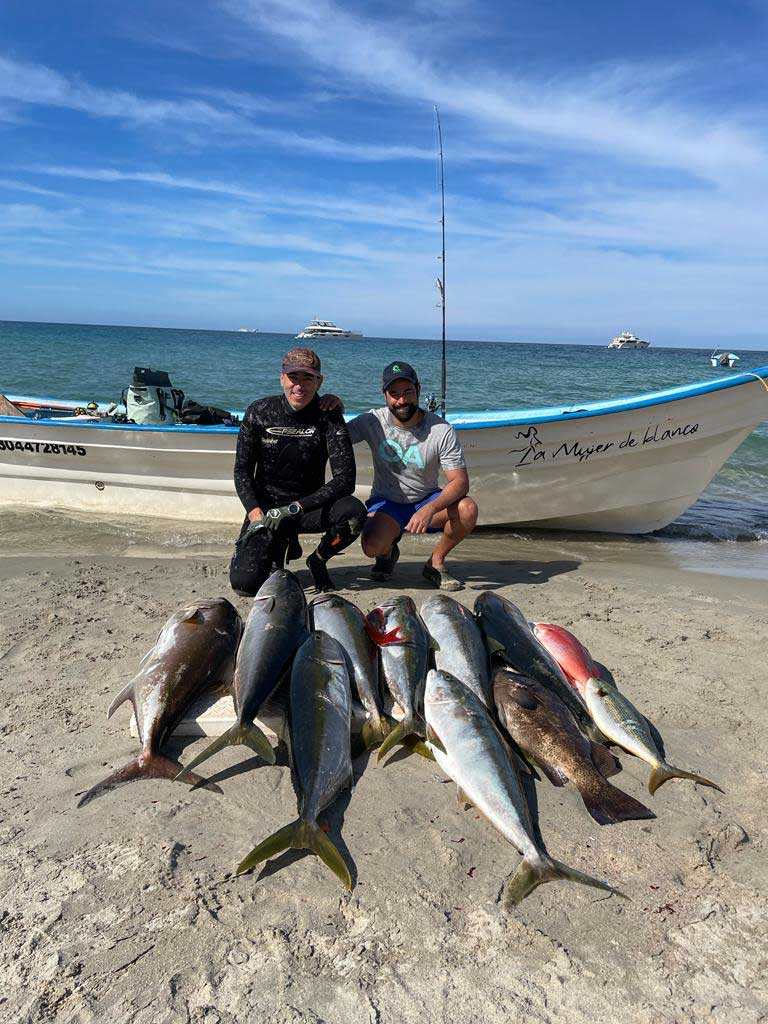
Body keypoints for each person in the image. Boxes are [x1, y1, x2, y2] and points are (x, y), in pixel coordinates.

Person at [229, 347, 366, 596]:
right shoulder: (259, 412)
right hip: (268, 511)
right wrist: (254, 511)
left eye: (308, 378)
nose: (299, 386)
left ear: (319, 381)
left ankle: (318, 560)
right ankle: (280, 543)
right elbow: (242, 470)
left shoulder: (328, 416)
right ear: (282, 378)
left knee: (354, 512)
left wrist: (296, 508)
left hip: (307, 508)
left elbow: (346, 480)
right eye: (294, 378)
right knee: (245, 585)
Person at [347, 360, 478, 591]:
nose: (401, 400)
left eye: (408, 392)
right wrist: (329, 405)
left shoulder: (441, 430)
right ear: (385, 395)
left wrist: (429, 509)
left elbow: (460, 482)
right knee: (371, 548)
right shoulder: (371, 421)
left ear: (418, 390)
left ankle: (435, 563)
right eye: (394, 394)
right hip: (387, 502)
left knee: (467, 510)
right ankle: (387, 553)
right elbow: (335, 435)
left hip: (426, 500)